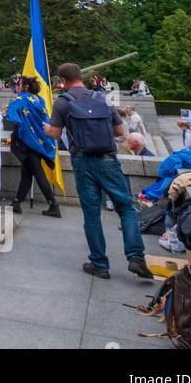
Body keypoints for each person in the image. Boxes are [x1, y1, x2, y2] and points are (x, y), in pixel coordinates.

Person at [46, 62, 152, 280]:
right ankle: (136, 258)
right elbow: (120, 130)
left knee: (92, 213)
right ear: (81, 77)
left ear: (63, 81)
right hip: (107, 159)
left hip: (82, 161)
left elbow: (56, 134)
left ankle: (100, 264)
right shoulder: (100, 98)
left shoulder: (63, 103)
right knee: (126, 208)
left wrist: (47, 128)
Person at [5, 76, 61, 218]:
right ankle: (16, 203)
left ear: (25, 87)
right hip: (38, 141)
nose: (16, 86)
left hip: (28, 142)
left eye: (18, 84)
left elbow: (11, 117)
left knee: (37, 172)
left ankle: (53, 204)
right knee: (27, 173)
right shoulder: (39, 100)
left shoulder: (20, 100)